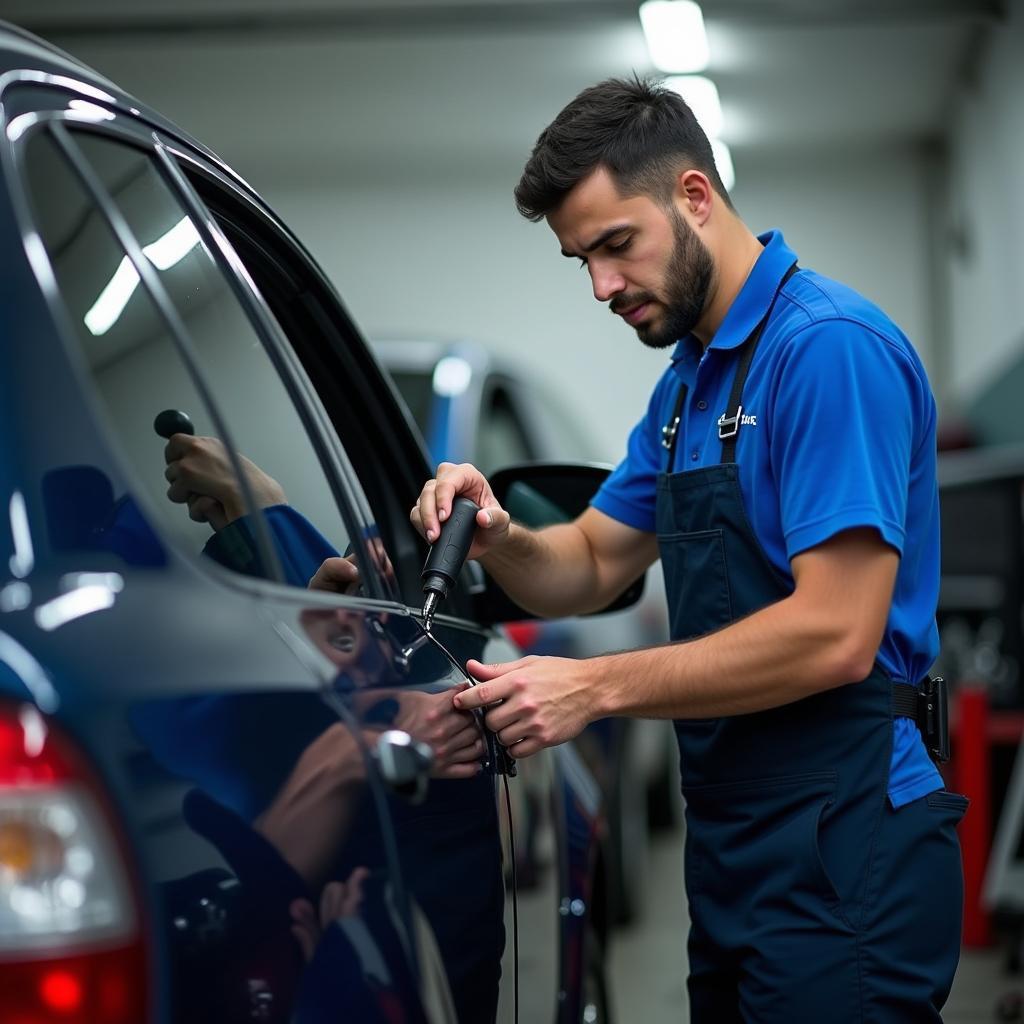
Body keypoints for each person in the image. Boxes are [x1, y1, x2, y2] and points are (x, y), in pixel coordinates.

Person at [413, 76, 967, 1021]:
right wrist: (500, 536)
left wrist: (591, 688)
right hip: (737, 838)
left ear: (695, 197)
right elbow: (589, 563)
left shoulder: (825, 351)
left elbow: (835, 633)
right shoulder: (688, 389)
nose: (601, 286)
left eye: (616, 245)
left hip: (846, 836)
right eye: (579, 260)